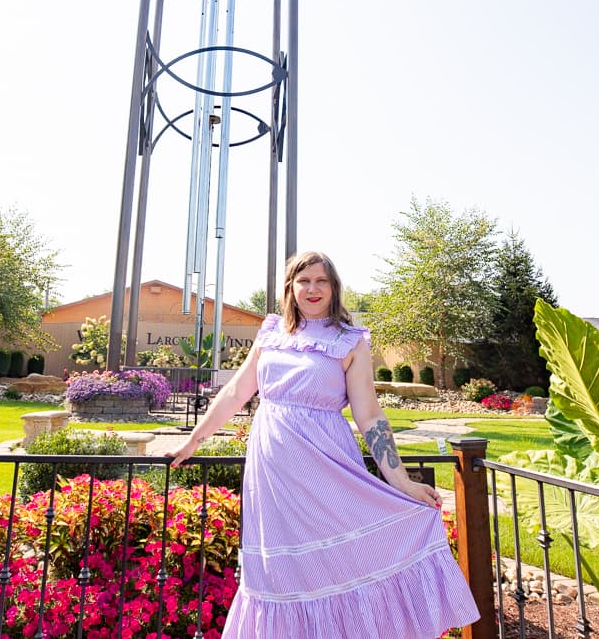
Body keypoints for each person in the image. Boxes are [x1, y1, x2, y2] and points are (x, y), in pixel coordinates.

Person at [166, 250, 479, 638]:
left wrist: (401, 481)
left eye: (321, 281)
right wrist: (194, 441)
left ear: (333, 288)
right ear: (290, 288)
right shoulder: (271, 334)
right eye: (304, 281)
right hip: (274, 478)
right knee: (279, 575)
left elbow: (370, 416)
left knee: (339, 563)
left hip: (327, 470)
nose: (312, 289)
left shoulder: (349, 341)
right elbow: (234, 393)